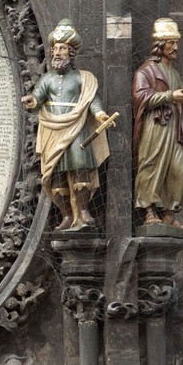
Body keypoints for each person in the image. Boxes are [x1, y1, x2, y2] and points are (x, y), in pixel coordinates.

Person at [22, 20, 113, 231]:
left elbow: (91, 99)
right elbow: (38, 96)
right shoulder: (47, 79)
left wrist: (99, 114)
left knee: (81, 167)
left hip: (77, 128)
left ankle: (83, 211)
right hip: (53, 129)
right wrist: (31, 101)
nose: (57, 53)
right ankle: (66, 215)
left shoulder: (83, 78)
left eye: (62, 49)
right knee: (55, 172)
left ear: (71, 53)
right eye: (55, 49)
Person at [132, 18, 183, 231]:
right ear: (160, 45)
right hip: (155, 127)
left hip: (174, 128)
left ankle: (168, 213)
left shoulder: (175, 74)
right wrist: (170, 95)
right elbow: (141, 98)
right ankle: (149, 211)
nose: (175, 47)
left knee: (180, 169)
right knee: (152, 165)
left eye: (176, 42)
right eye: (171, 42)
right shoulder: (146, 71)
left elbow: (181, 106)